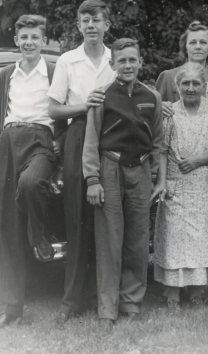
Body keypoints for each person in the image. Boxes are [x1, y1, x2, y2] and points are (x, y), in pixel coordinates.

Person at [0, 14, 66, 328]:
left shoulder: (54, 71)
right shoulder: (7, 74)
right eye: (24, 38)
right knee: (6, 226)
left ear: (43, 40)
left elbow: (66, 109)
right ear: (16, 41)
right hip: (8, 142)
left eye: (35, 37)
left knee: (32, 184)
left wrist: (59, 140)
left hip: (41, 139)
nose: (30, 43)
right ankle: (10, 309)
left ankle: (38, 236)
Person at [82, 38, 163, 323]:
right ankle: (107, 308)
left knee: (138, 241)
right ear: (112, 64)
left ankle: (132, 303)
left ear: (141, 62)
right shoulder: (102, 96)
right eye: (122, 61)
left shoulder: (152, 96)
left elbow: (157, 142)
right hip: (110, 168)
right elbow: (91, 141)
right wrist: (93, 179)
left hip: (139, 172)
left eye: (133, 60)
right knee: (109, 241)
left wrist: (156, 177)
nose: (128, 65)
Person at [47, 0, 117, 323]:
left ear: (106, 24)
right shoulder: (67, 60)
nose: (91, 25)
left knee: (104, 218)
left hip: (112, 138)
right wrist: (84, 107)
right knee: (77, 217)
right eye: (85, 20)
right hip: (77, 135)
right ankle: (71, 300)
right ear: (79, 26)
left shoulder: (116, 60)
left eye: (97, 20)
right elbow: (53, 109)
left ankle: (99, 296)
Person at [152, 62, 208, 313]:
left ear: (205, 86)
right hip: (176, 183)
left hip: (206, 183)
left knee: (201, 238)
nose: (190, 88)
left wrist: (199, 160)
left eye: (196, 83)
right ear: (176, 87)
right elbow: (162, 151)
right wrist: (162, 182)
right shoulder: (169, 114)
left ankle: (197, 292)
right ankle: (172, 294)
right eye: (185, 83)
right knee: (175, 238)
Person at [156, 21, 208, 117]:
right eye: (192, 42)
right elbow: (152, 114)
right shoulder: (168, 77)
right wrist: (159, 108)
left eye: (203, 42)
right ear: (185, 48)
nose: (198, 47)